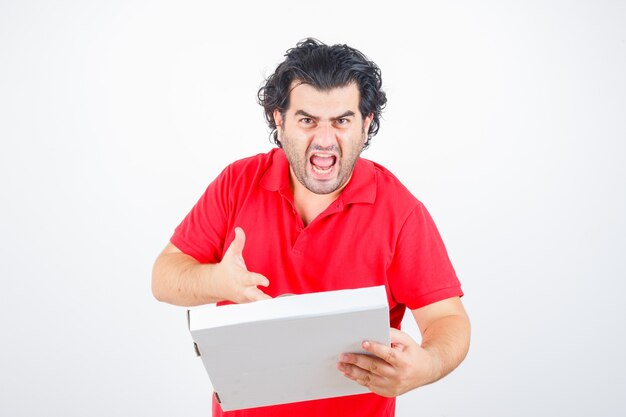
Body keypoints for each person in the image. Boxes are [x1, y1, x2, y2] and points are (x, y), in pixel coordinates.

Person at [152, 38, 470, 417]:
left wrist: (427, 366)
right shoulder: (237, 183)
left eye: (342, 120)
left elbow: (448, 319)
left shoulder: (399, 211)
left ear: (366, 124)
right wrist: (217, 282)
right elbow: (163, 277)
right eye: (307, 120)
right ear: (279, 119)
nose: (324, 140)